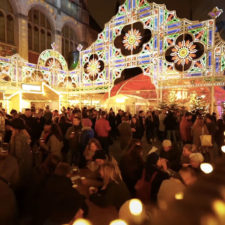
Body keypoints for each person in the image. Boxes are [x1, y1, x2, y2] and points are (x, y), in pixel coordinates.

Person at [9, 118, 32, 187]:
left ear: (14, 127)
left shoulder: (18, 137)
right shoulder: (25, 133)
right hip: (27, 161)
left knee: (19, 183)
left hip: (21, 164)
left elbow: (18, 154)